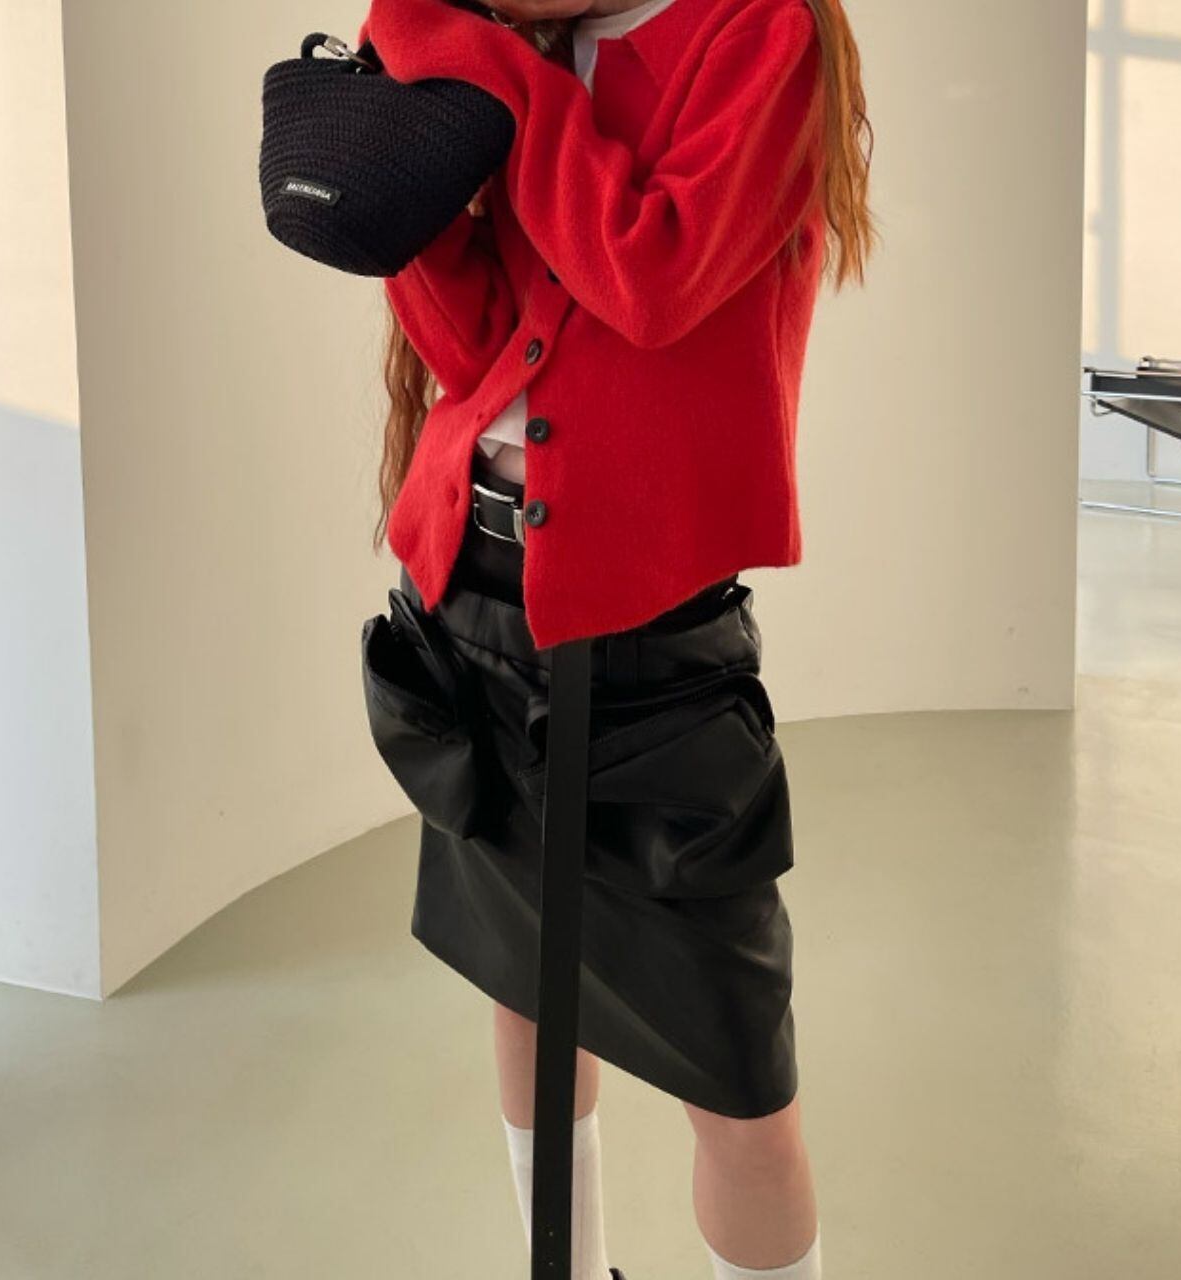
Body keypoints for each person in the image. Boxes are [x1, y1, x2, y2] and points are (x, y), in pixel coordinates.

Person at [355, 0, 874, 1276]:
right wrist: (410, 200)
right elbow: (476, 350)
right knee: (526, 991)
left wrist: (487, 69)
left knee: (742, 1089)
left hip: (651, 645)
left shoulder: (756, 29)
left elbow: (647, 278)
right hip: (473, 595)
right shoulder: (538, 48)